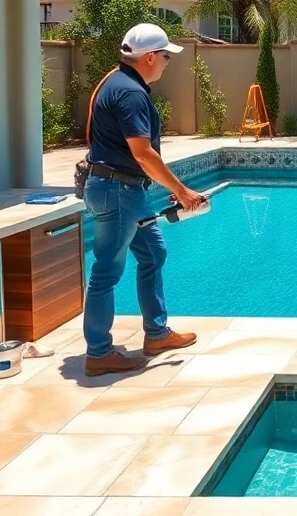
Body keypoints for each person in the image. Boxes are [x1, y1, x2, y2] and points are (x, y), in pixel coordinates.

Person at [82, 23, 207, 376]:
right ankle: (99, 352)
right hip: (118, 191)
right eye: (166, 56)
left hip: (124, 189)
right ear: (150, 57)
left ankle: (156, 333)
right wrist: (182, 191)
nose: (168, 63)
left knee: (153, 254)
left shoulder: (117, 82)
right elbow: (143, 153)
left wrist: (162, 184)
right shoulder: (131, 93)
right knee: (106, 271)